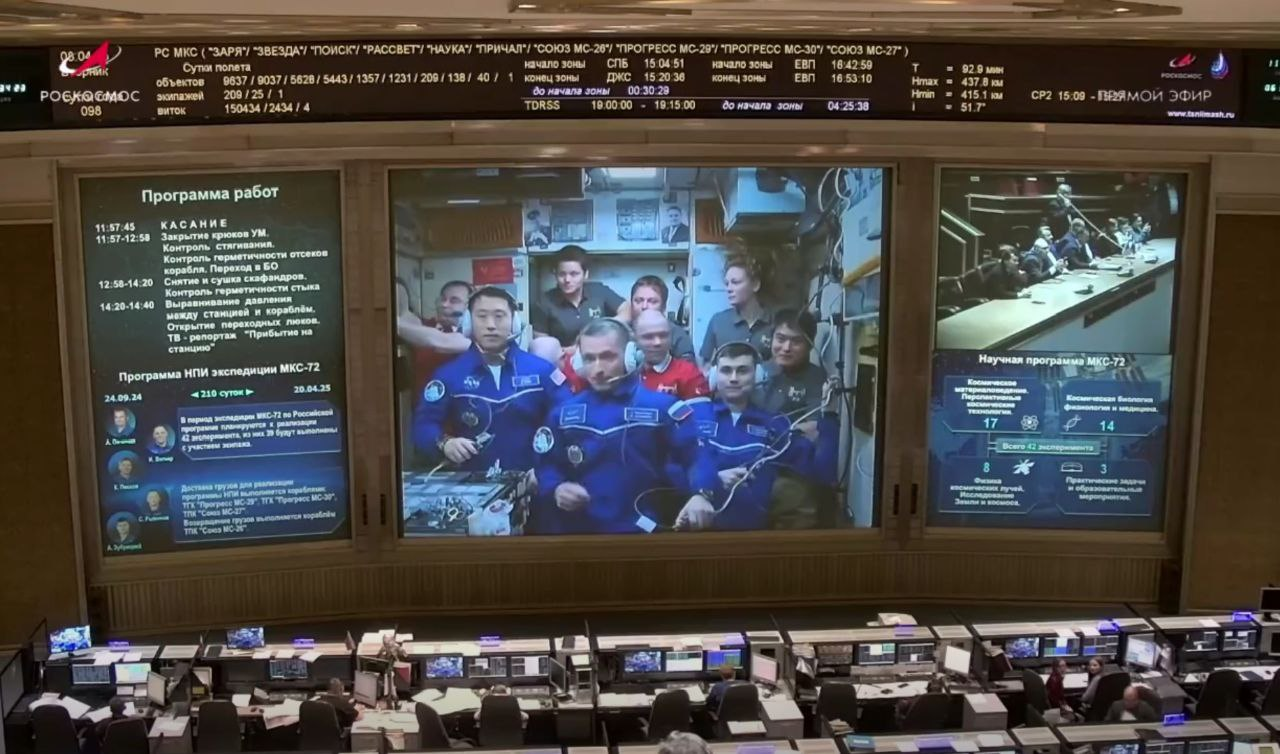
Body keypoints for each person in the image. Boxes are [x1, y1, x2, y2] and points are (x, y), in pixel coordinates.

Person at [531, 318, 718, 534]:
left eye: (608, 357)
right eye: (589, 358)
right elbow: (546, 464)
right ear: (578, 362)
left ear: (631, 356)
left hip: (645, 531)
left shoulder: (663, 409)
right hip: (581, 533)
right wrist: (556, 487)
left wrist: (701, 495)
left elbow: (697, 455)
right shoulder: (563, 414)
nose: (598, 368)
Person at [413, 287, 567, 479]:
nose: (491, 325)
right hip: (473, 485)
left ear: (514, 322)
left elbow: (568, 423)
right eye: (482, 316)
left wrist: (548, 473)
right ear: (469, 322)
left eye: (499, 316)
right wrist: (445, 443)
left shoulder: (543, 371)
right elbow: (423, 425)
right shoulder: (449, 374)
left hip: (534, 482)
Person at [696, 343, 837, 531]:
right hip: (697, 533)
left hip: (754, 535)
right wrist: (713, 479)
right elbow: (668, 473)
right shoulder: (693, 416)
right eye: (726, 371)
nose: (733, 378)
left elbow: (822, 474)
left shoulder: (774, 425)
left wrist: (829, 416)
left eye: (742, 371)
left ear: (758, 376)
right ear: (714, 376)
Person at [531, 245, 625, 347]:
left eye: (574, 274)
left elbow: (627, 310)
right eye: (562, 274)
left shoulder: (599, 290)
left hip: (601, 351)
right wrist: (571, 350)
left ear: (585, 274)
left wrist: (604, 329)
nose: (567, 280)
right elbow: (542, 345)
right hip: (564, 355)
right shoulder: (543, 302)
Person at [397, 278, 474, 400]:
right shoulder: (422, 326)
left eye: (454, 300)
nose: (444, 305)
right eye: (443, 299)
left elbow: (441, 341)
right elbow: (403, 315)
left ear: (468, 307)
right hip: (424, 409)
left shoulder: (474, 335)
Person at [699, 256, 774, 367]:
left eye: (735, 282)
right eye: (727, 284)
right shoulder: (718, 322)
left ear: (755, 285)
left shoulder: (774, 322)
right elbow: (705, 365)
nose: (729, 289)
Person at [628, 275, 695, 360]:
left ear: (664, 306)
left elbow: (688, 367)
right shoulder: (622, 333)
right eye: (638, 301)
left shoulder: (677, 336)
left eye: (652, 301)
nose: (644, 306)